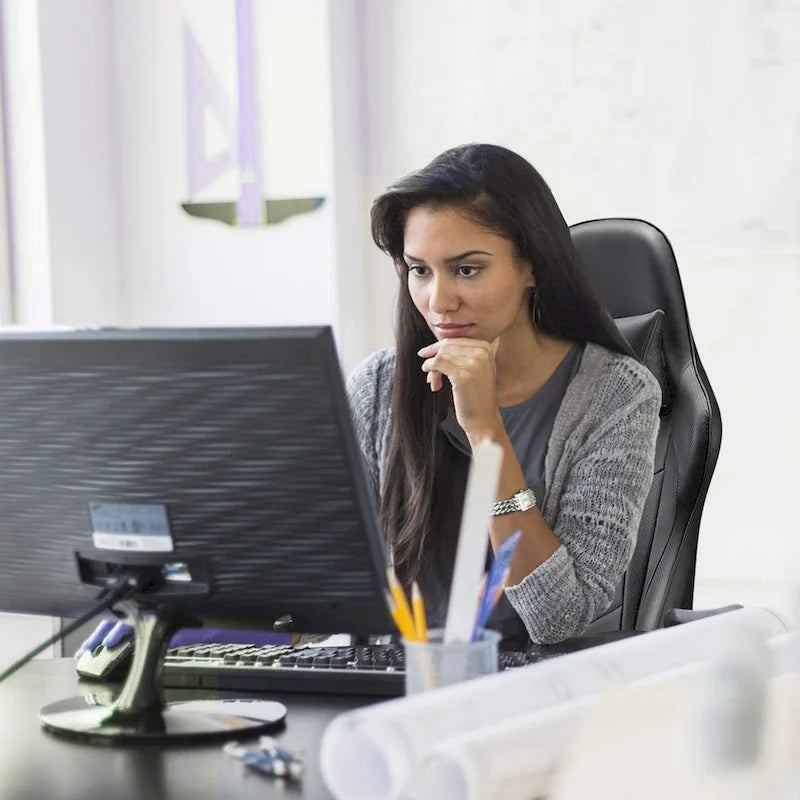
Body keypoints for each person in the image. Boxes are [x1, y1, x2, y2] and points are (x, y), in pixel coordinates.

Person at [347, 143, 661, 645]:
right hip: (401, 693)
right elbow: (339, 588)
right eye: (419, 271)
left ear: (531, 265)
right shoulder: (380, 385)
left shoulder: (614, 396)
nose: (438, 301)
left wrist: (485, 429)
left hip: (535, 696)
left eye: (467, 269)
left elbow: (556, 618)